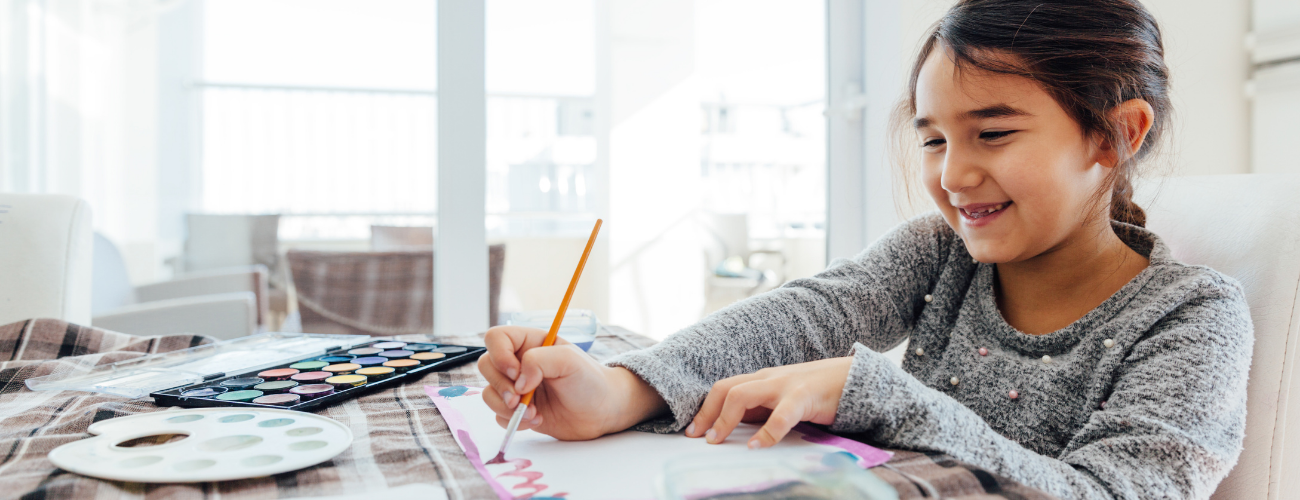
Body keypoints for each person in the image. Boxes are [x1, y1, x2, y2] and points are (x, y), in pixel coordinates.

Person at [477, 1, 1253, 497]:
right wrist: (620, 391)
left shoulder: (1192, 315)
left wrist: (874, 390)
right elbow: (807, 315)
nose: (953, 176)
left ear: (1118, 133)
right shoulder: (942, 253)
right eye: (934, 139)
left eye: (992, 133)